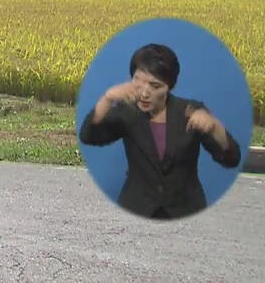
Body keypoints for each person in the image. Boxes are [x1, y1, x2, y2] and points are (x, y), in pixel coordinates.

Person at [79, 42, 241, 220]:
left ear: (169, 87)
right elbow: (89, 136)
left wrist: (215, 126)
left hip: (185, 211)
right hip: (136, 210)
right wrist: (107, 99)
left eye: (155, 86)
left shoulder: (189, 111)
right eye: (138, 81)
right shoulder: (127, 112)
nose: (145, 93)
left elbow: (232, 158)